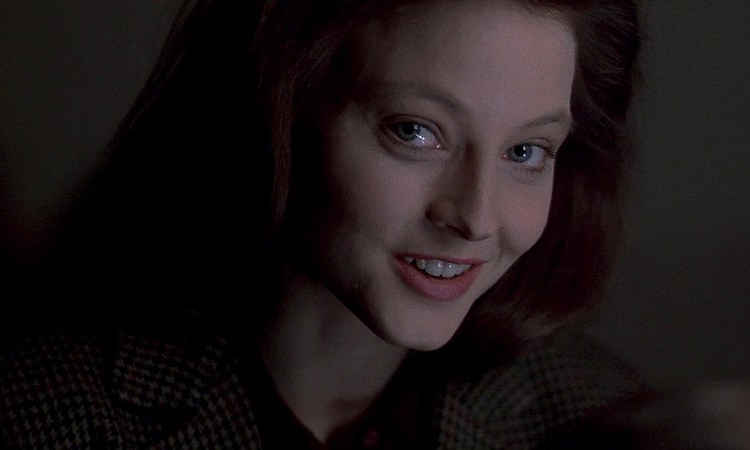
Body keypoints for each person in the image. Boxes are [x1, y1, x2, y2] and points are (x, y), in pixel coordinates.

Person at [1, 0, 645, 448]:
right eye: (415, 132)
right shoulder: (37, 411)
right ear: (282, 106)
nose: (474, 217)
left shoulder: (593, 416)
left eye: (525, 151)